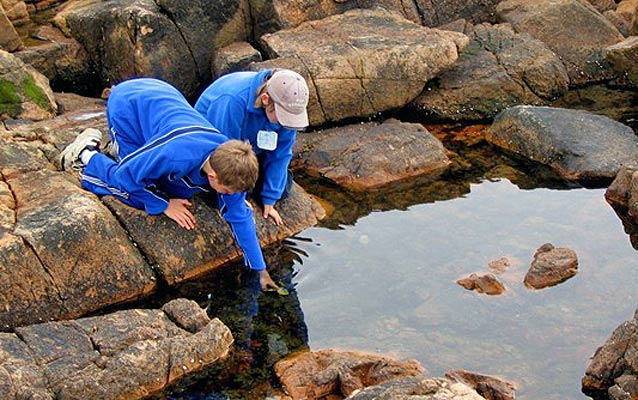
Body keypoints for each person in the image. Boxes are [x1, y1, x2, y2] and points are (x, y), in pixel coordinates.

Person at [59, 77, 278, 291]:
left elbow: (240, 216)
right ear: (213, 177)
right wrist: (163, 204)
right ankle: (87, 154)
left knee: (173, 185)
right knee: (134, 190)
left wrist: (260, 270)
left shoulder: (228, 157)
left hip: (161, 96)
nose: (232, 195)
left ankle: (129, 155)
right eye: (228, 191)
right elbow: (125, 178)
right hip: (128, 105)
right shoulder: (175, 155)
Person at [195, 69, 310, 226]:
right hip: (215, 150)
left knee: (282, 189)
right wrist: (237, 200)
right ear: (265, 99)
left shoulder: (285, 111)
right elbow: (222, 153)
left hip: (250, 149)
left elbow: (281, 154)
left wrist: (270, 198)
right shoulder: (232, 100)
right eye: (283, 116)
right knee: (223, 189)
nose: (286, 123)